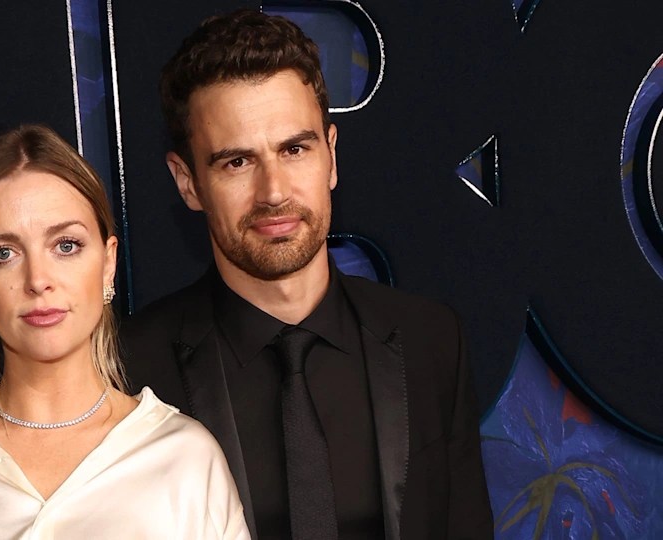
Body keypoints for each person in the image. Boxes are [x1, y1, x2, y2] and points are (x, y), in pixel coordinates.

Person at [120, 10, 493, 540]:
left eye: (294, 149)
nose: (274, 191)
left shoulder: (431, 340)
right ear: (187, 182)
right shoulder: (129, 373)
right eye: (237, 162)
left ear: (331, 156)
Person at [0, 124, 250, 539]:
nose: (38, 280)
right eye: (3, 253)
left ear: (108, 264)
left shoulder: (184, 457)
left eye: (66, 246)